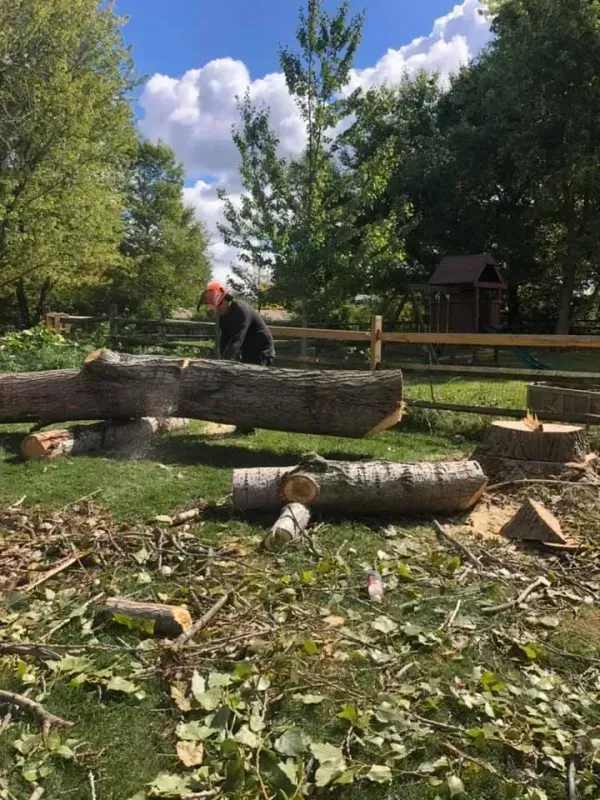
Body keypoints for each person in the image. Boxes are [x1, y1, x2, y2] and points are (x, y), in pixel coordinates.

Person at [201, 281, 275, 434]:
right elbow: (224, 341)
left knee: (250, 388)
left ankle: (249, 427)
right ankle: (243, 426)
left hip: (261, 352)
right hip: (247, 353)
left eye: (219, 307)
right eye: (216, 308)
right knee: (240, 387)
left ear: (225, 300)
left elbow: (237, 339)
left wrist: (225, 363)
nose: (218, 310)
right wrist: (220, 361)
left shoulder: (241, 311)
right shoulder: (223, 317)